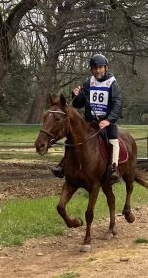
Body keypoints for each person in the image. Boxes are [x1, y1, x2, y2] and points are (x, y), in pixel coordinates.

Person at [51, 53, 123, 184]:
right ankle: (63, 164)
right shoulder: (88, 82)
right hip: (90, 121)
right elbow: (78, 103)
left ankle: (113, 168)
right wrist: (76, 94)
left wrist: (108, 120)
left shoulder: (112, 83)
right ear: (91, 69)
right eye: (94, 68)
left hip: (106, 121)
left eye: (100, 68)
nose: (97, 71)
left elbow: (117, 103)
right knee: (72, 136)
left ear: (106, 67)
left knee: (113, 138)